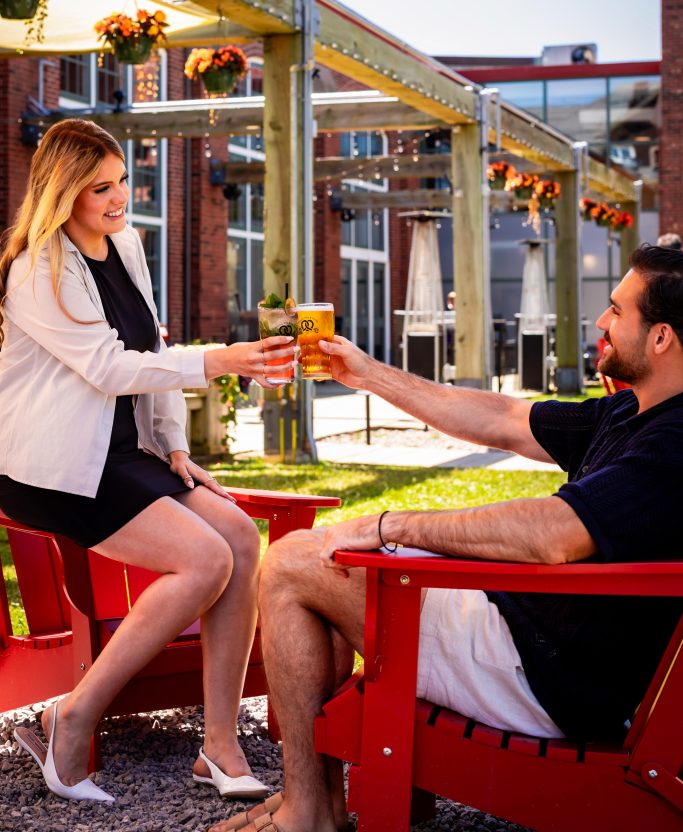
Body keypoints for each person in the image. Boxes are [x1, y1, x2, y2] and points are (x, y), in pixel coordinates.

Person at [213, 244, 683, 832]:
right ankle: (314, 805)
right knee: (323, 564)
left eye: (617, 310)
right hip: (533, 640)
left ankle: (308, 811)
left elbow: (554, 535)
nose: (602, 322)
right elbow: (503, 418)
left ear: (660, 337)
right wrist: (367, 373)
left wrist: (393, 525)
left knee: (290, 562)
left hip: (545, 678)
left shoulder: (673, 446)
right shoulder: (632, 412)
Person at [0, 119, 295, 803]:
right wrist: (219, 361)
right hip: (48, 467)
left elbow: (150, 352)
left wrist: (176, 448)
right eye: (99, 188)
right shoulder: (36, 270)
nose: (119, 198)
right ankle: (70, 716)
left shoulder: (126, 246)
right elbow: (109, 367)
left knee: (239, 539)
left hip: (122, 452)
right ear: (62, 194)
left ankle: (219, 747)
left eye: (122, 181)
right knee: (205, 560)